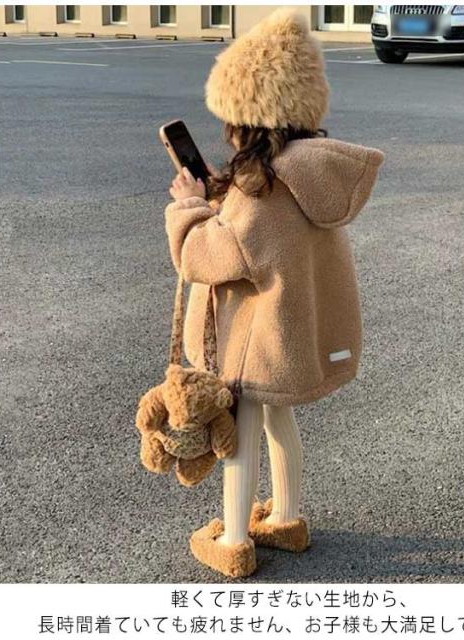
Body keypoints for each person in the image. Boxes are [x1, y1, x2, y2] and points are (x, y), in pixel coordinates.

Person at [164, 8, 384, 578]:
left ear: (249, 119)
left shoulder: (260, 193)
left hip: (256, 343)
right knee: (278, 422)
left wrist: (188, 205)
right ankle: (285, 518)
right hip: (290, 338)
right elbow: (261, 239)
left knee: (242, 432)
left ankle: (235, 539)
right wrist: (223, 193)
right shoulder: (307, 174)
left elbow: (207, 255)